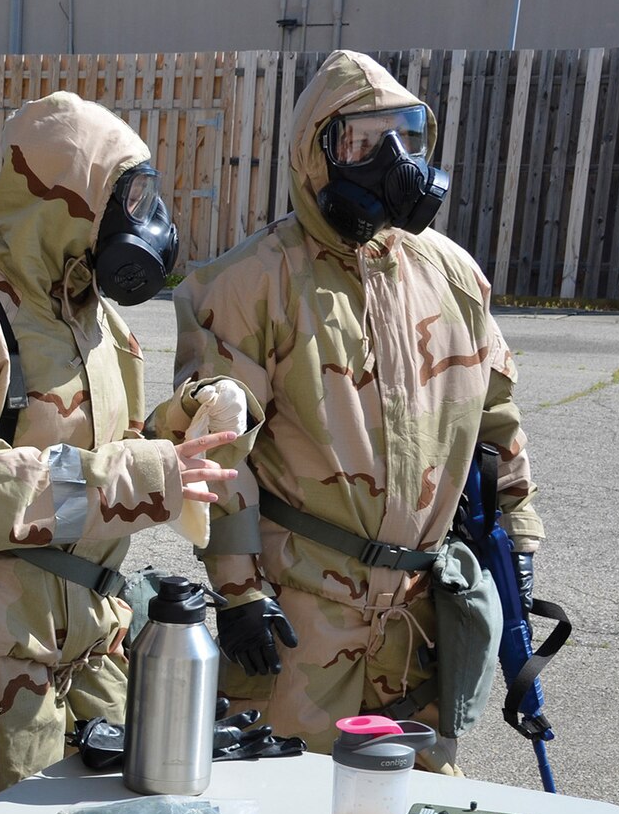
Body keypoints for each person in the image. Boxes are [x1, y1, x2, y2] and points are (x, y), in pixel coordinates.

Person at [165, 50, 541, 766]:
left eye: (406, 135)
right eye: (363, 142)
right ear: (317, 155)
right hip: (303, 617)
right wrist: (239, 593)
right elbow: (218, 450)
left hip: (422, 616)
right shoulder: (250, 284)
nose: (392, 160)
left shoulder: (454, 275)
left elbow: (496, 422)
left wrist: (519, 540)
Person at [0, 92, 246, 814]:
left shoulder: (99, 323)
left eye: (146, 197)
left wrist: (191, 416)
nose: (143, 221)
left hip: (96, 637)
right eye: (124, 198)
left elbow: (120, 444)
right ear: (67, 203)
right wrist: (139, 477)